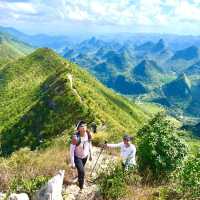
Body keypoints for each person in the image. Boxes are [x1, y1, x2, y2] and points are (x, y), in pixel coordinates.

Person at [70, 120, 92, 190]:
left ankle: (79, 178)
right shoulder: (75, 138)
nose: (84, 127)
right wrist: (73, 162)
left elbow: (89, 144)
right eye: (82, 126)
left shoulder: (88, 134)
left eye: (85, 125)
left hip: (85, 156)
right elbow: (71, 151)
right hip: (77, 157)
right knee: (82, 171)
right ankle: (81, 186)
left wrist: (90, 154)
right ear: (78, 128)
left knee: (81, 171)